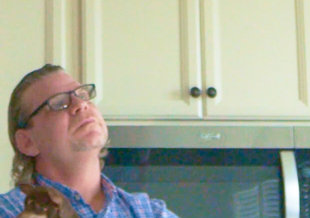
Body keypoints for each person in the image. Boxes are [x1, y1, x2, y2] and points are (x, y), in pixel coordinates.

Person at [2, 65, 178, 218]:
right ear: (27, 142)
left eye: (83, 95)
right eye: (59, 103)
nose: (80, 104)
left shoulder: (151, 213)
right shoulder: (6, 211)